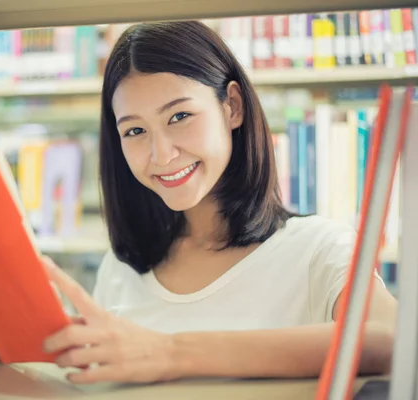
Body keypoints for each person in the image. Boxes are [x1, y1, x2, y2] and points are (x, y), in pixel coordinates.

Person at [41, 20, 397, 385]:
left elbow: (390, 342)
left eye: (179, 116)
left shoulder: (318, 249)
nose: (161, 155)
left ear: (233, 107)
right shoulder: (120, 269)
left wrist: (170, 353)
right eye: (135, 131)